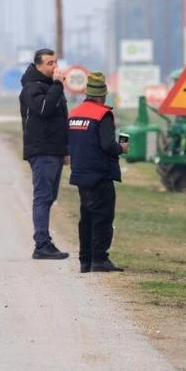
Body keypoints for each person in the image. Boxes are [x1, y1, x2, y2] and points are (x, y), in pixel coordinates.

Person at [67, 72, 128, 273]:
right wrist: (121, 148)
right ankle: (100, 259)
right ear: (103, 94)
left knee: (86, 217)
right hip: (99, 174)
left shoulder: (74, 113)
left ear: (87, 93)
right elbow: (108, 145)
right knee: (102, 217)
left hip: (80, 173)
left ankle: (85, 260)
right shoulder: (102, 115)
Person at [19, 48, 70, 260]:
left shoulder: (50, 87)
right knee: (42, 196)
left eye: (55, 62)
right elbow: (44, 108)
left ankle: (44, 241)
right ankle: (41, 244)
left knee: (50, 197)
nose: (54, 67)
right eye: (49, 63)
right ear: (38, 65)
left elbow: (61, 120)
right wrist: (58, 85)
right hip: (42, 151)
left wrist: (65, 150)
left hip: (55, 151)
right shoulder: (31, 88)